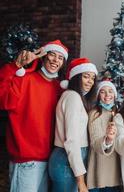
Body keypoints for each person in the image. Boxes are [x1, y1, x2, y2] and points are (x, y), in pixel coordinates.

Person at [0, 40, 68, 192]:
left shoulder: (60, 89)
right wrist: (15, 66)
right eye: (52, 55)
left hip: (49, 160)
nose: (56, 60)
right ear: (43, 57)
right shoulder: (24, 80)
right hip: (26, 161)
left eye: (60, 57)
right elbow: (2, 98)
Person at [48, 57, 98, 192]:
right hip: (66, 161)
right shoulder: (73, 98)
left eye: (93, 78)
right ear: (76, 77)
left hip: (70, 160)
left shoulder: (74, 96)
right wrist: (81, 182)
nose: (90, 82)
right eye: (86, 77)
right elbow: (72, 141)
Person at [87, 80, 122, 192]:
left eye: (110, 91)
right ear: (98, 95)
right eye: (103, 92)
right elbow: (95, 142)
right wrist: (107, 140)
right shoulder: (95, 114)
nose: (107, 95)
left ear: (115, 95)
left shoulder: (118, 113)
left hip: (116, 170)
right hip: (100, 169)